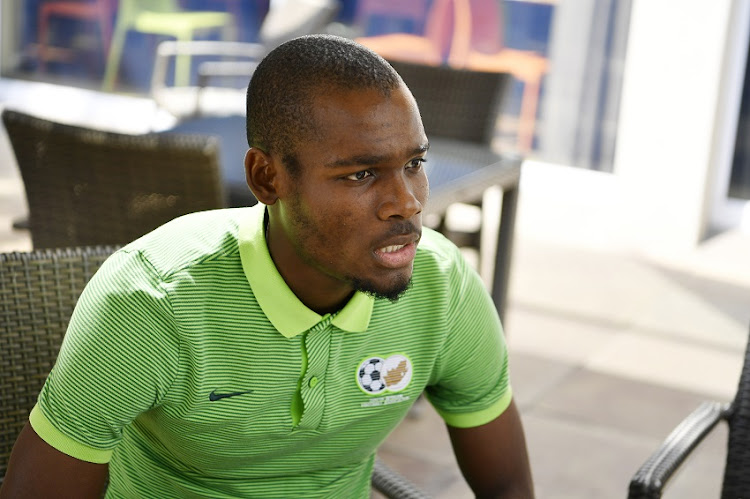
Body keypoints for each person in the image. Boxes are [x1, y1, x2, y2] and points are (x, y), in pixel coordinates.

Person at [0, 34, 534, 498]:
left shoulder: (444, 287)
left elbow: (507, 487)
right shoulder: (150, 305)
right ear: (267, 179)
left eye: (414, 164)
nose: (409, 202)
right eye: (361, 174)